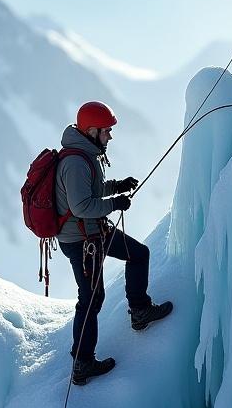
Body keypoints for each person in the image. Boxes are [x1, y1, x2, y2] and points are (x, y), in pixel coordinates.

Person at [55, 100, 173, 385]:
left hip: (93, 232)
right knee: (91, 298)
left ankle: (140, 311)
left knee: (138, 253)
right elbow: (82, 205)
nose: (110, 135)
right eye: (106, 130)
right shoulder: (75, 162)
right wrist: (114, 203)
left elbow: (91, 191)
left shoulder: (86, 154)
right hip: (83, 239)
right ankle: (82, 363)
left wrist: (115, 187)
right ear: (92, 130)